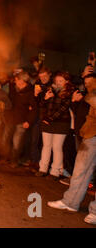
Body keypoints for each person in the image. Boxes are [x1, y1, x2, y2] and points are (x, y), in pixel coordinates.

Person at [47, 75, 96, 225]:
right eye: (86, 83)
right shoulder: (89, 92)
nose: (86, 85)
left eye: (90, 83)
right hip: (91, 134)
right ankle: (70, 202)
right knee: (80, 170)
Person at [35, 71, 74, 180]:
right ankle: (43, 169)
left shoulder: (68, 93)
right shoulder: (50, 90)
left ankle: (55, 172)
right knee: (46, 146)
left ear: (67, 82)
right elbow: (42, 106)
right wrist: (45, 98)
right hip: (48, 122)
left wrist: (50, 119)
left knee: (57, 147)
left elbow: (63, 109)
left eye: (61, 81)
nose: (58, 83)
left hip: (61, 123)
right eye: (57, 81)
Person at [7, 71, 37, 168]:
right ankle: (7, 157)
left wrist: (29, 121)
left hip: (22, 121)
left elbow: (34, 109)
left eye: (17, 79)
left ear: (23, 80)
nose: (16, 81)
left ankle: (14, 161)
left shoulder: (30, 92)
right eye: (16, 80)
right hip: (12, 119)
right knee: (6, 139)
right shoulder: (14, 89)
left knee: (17, 142)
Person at [29, 67, 53, 170]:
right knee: (34, 140)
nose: (43, 78)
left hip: (48, 117)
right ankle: (35, 162)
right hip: (38, 116)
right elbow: (36, 102)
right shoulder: (38, 85)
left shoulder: (53, 86)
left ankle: (45, 165)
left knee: (46, 143)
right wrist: (35, 95)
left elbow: (50, 103)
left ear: (49, 75)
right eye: (41, 76)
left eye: (45, 76)